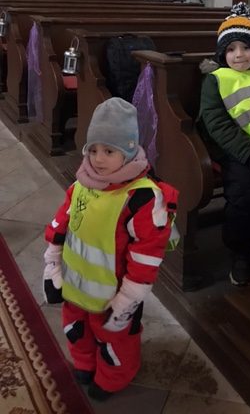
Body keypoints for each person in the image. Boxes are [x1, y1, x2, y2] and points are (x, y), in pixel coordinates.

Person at [43, 98, 178, 401]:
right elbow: (63, 222)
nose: (98, 159)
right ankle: (84, 363)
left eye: (109, 151)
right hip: (75, 283)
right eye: (92, 150)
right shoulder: (83, 182)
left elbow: (146, 255)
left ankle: (113, 378)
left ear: (128, 151)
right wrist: (52, 261)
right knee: (76, 327)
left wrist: (127, 299)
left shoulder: (141, 197)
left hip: (113, 294)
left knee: (114, 342)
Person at [197, 2, 250, 287]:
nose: (239, 54)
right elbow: (216, 123)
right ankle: (241, 254)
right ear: (222, 53)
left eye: (246, 47)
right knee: (243, 196)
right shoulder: (215, 79)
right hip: (234, 148)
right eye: (231, 49)